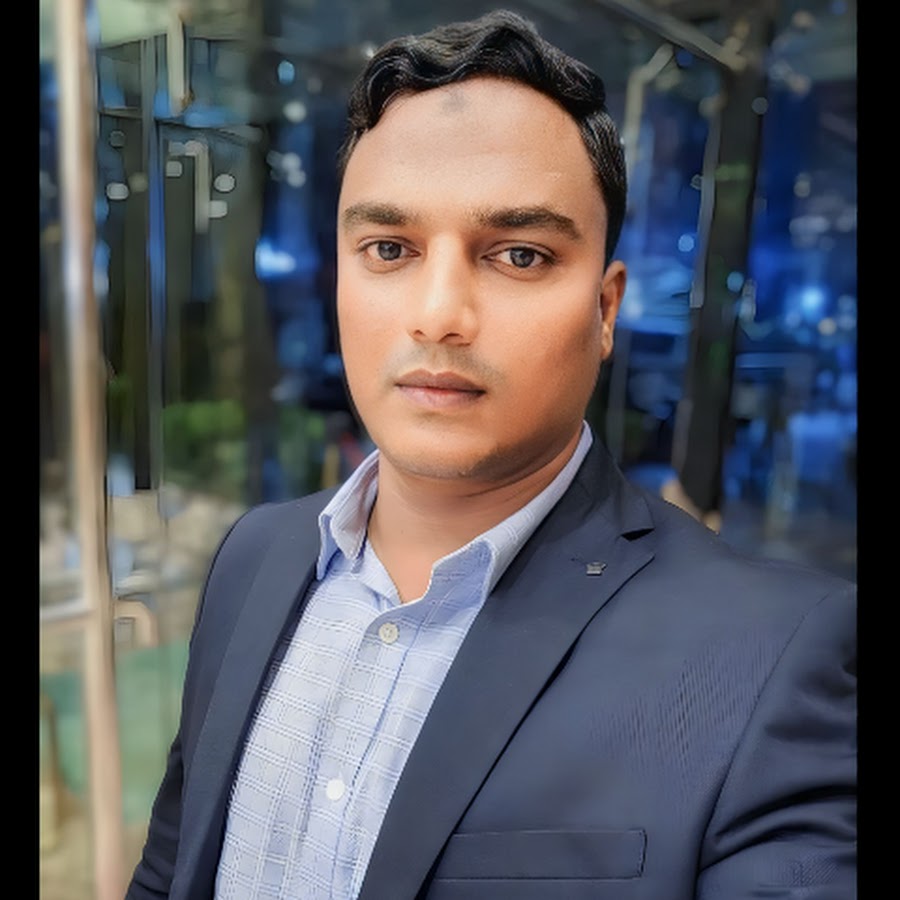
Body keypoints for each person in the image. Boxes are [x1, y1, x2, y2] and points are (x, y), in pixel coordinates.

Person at [126, 10, 856, 899]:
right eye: (388, 249)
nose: (438, 314)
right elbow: (172, 866)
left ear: (605, 310)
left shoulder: (767, 654)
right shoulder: (256, 557)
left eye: (518, 255)